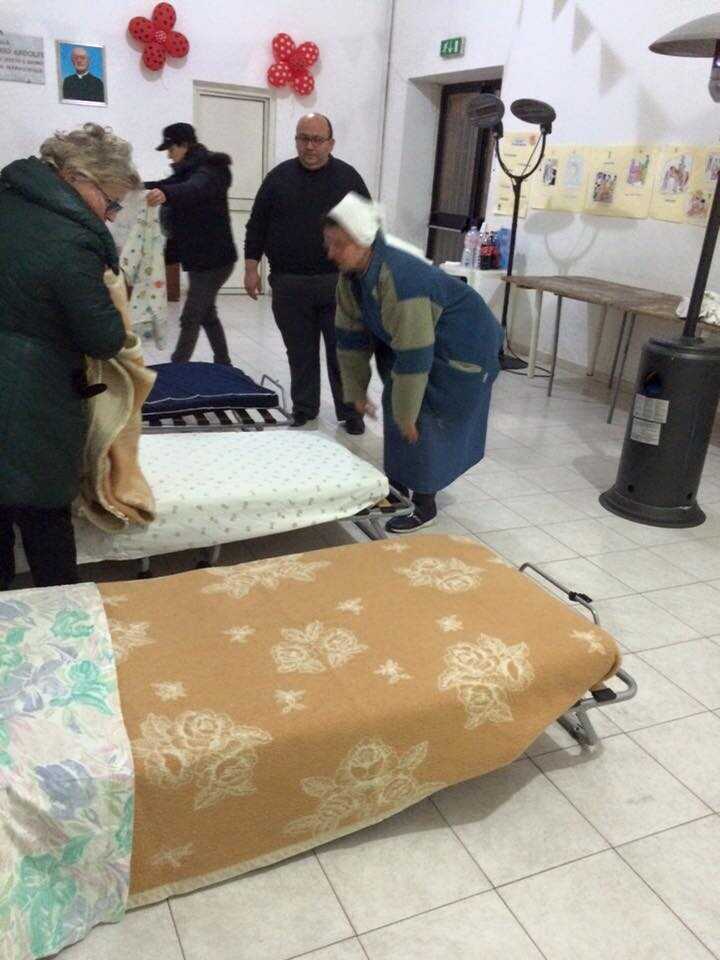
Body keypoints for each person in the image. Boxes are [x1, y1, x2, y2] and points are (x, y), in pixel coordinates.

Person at [0, 123, 140, 588]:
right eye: (111, 202)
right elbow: (103, 337)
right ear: (79, 178)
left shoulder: (10, 199)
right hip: (28, 396)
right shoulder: (69, 240)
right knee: (42, 512)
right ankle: (63, 614)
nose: (111, 216)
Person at [325, 192, 502, 533]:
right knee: (400, 406)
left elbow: (415, 354)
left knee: (424, 419)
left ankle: (424, 503)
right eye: (328, 243)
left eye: (338, 244)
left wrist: (406, 413)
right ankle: (396, 489)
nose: (330, 253)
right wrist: (356, 392)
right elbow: (349, 339)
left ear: (363, 242)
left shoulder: (401, 278)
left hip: (464, 345)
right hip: (421, 341)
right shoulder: (351, 277)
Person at [244, 114, 370, 432]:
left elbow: (369, 228)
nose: (309, 146)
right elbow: (256, 225)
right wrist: (250, 269)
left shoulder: (348, 179)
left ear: (331, 143)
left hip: (339, 284)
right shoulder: (278, 178)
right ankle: (304, 408)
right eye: (303, 138)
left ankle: (350, 412)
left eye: (316, 139)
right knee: (300, 352)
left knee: (342, 352)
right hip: (289, 283)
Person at [145, 122, 237, 365]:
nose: (169, 155)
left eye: (171, 148)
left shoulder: (212, 168)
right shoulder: (187, 170)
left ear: (184, 145)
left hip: (215, 260)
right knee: (207, 314)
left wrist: (166, 194)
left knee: (191, 316)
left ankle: (178, 367)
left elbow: (193, 189)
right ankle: (224, 363)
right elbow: (172, 184)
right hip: (199, 257)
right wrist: (138, 186)